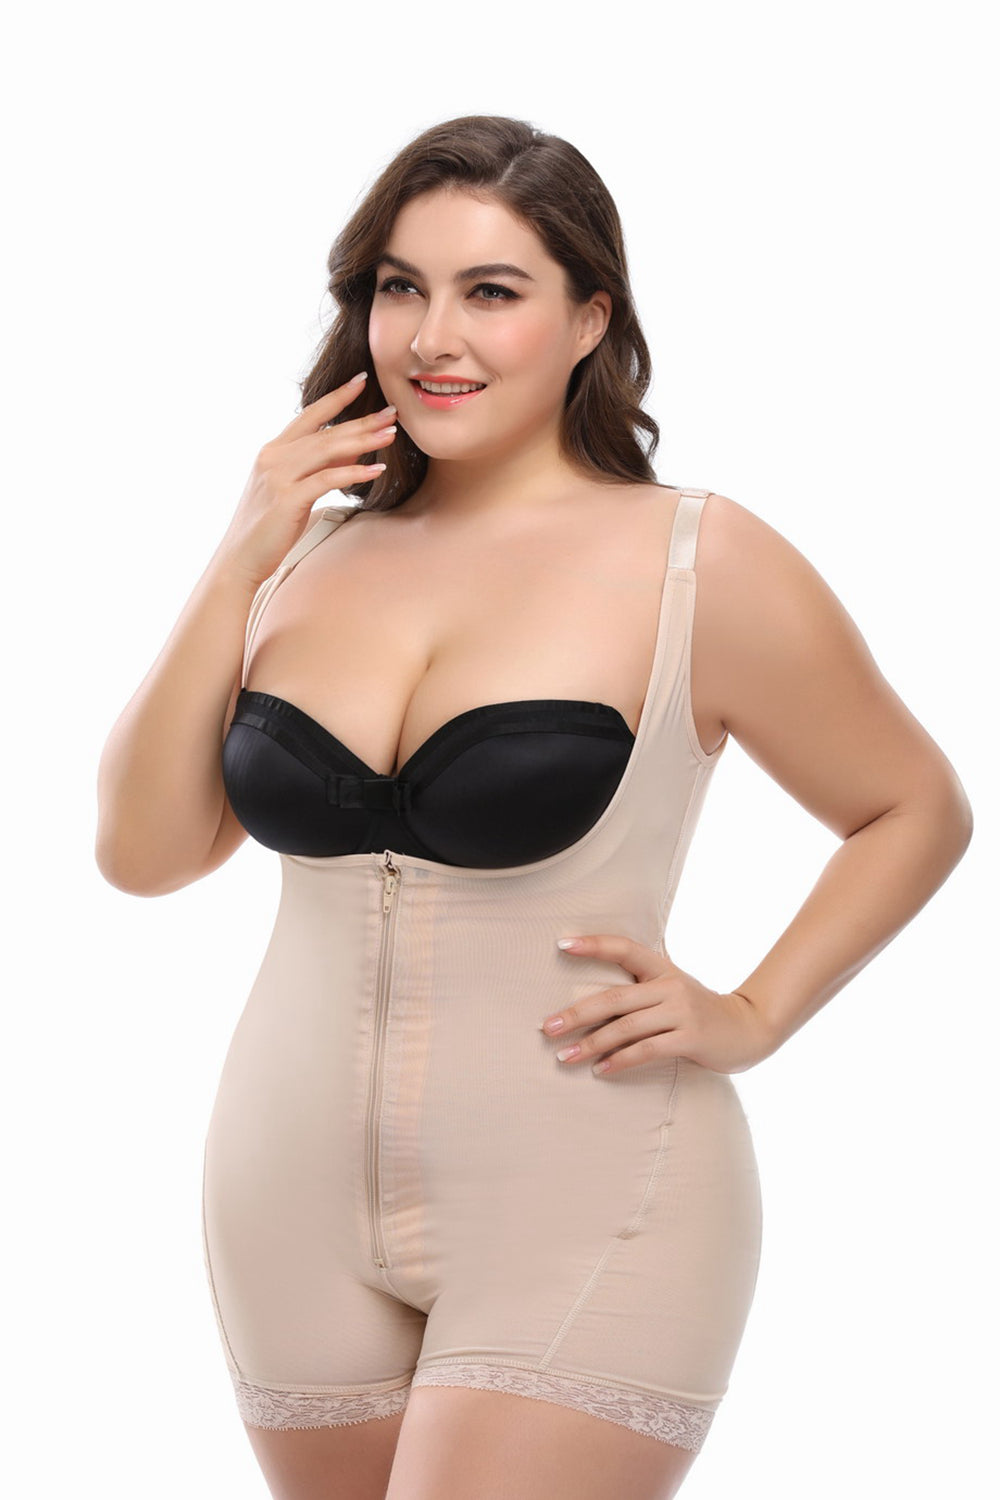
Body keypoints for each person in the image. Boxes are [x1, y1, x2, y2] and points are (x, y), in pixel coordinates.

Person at [95, 114, 973, 1500]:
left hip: (589, 1198)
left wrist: (755, 1012)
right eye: (401, 287)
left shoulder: (697, 562)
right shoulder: (306, 562)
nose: (433, 337)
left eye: (491, 292)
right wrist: (237, 555)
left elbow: (913, 805)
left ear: (588, 320)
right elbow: (142, 855)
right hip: (283, 1200)